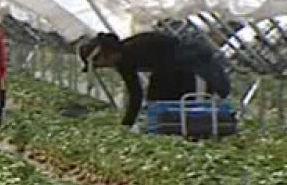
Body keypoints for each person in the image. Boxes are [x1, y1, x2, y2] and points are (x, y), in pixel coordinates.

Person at [78, 31, 232, 129]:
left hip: (192, 67)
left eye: (98, 65)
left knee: (186, 109)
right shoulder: (123, 61)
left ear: (105, 54)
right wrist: (127, 124)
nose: (102, 68)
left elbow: (164, 75)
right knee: (161, 104)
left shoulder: (139, 47)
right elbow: (135, 93)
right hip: (175, 74)